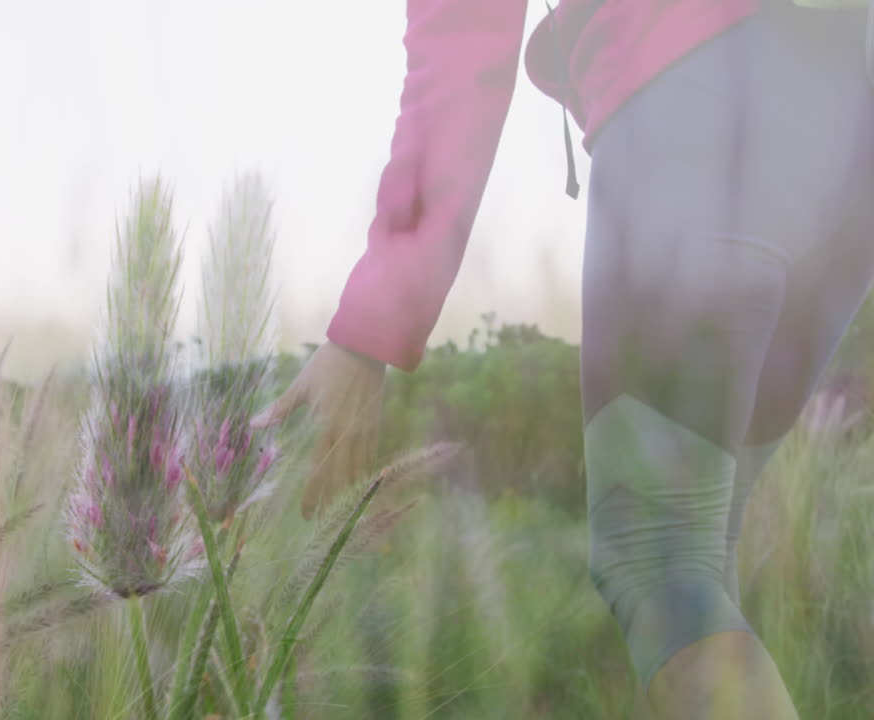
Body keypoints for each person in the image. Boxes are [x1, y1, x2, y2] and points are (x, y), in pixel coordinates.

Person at [250, 1, 874, 717]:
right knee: (701, 562)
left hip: (695, 99)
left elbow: (463, 37)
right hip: (845, 132)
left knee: (660, 563)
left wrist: (368, 330)